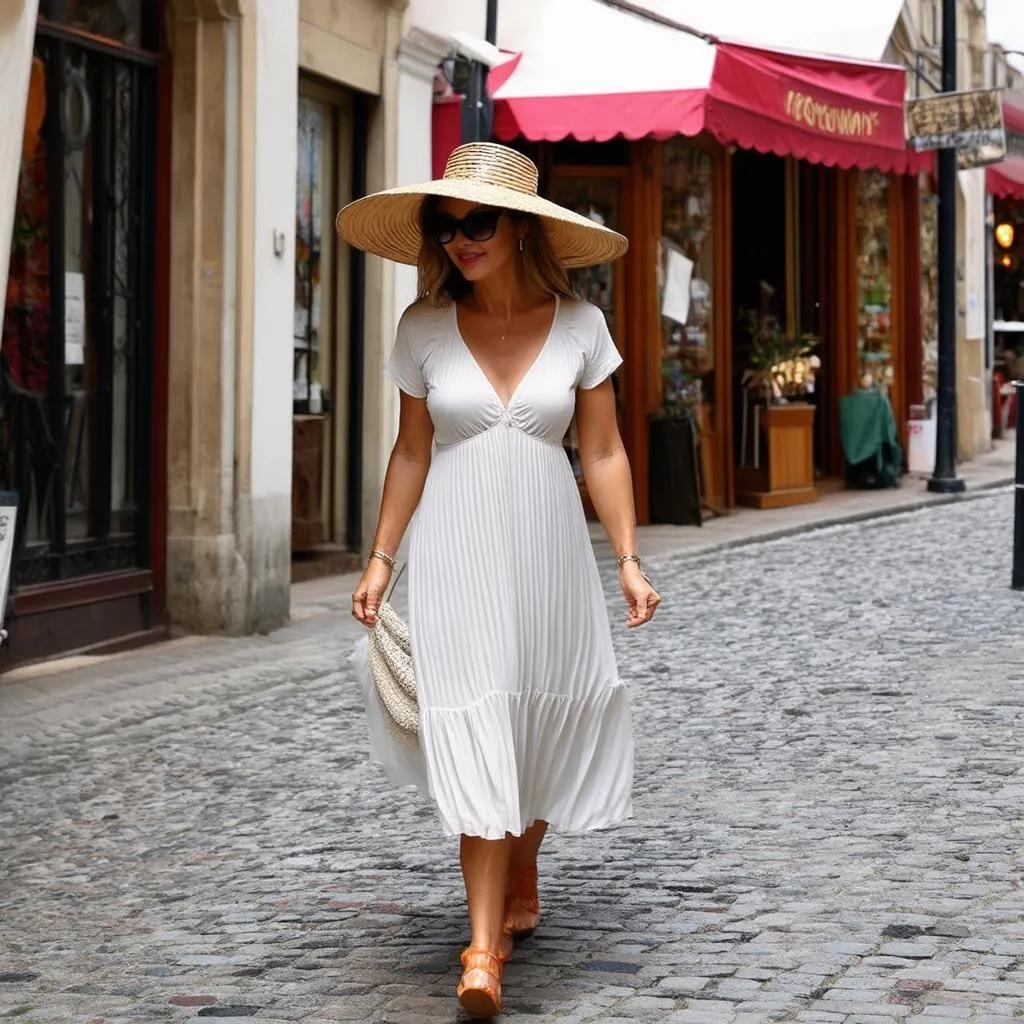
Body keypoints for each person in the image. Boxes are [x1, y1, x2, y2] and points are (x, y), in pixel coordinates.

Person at [336, 143, 660, 1019]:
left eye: (477, 223)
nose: (460, 240)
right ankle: (481, 950)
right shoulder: (423, 329)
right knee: (479, 721)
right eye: (446, 227)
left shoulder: (583, 326)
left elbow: (602, 450)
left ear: (521, 227)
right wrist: (380, 557)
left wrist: (627, 558)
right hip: (455, 553)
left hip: (550, 552)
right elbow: (411, 452)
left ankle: (524, 864)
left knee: (540, 718)